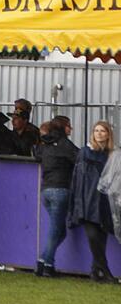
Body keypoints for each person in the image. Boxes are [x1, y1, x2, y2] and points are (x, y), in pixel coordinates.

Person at [69, 121, 117, 283]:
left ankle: (94, 272)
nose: (99, 133)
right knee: (93, 236)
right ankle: (106, 271)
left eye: (102, 131)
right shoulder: (85, 152)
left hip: (105, 200)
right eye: (96, 130)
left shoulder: (113, 154)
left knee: (101, 236)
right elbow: (80, 178)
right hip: (88, 199)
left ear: (108, 134)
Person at [35, 118, 78, 277]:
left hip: (45, 190)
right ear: (63, 128)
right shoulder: (65, 145)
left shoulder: (45, 143)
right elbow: (78, 157)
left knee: (59, 231)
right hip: (61, 189)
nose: (70, 129)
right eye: (68, 126)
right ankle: (47, 265)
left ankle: (42, 261)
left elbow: (37, 155)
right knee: (56, 230)